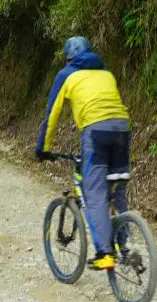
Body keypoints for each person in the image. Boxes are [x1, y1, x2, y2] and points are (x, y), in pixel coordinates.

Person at [35, 36, 130, 271]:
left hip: (96, 131)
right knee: (116, 185)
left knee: (94, 191)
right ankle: (124, 243)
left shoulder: (66, 74)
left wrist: (43, 148)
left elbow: (52, 114)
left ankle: (105, 253)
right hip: (123, 128)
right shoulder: (106, 73)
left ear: (68, 58)